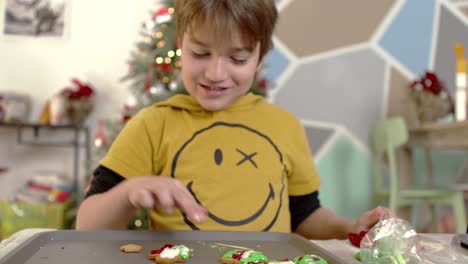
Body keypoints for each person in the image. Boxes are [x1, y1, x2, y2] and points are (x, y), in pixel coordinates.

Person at [76, 0, 387, 239]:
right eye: (200, 53)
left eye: (237, 59)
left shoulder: (285, 126)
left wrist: (349, 228)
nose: (215, 74)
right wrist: (130, 191)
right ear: (180, 47)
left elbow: (304, 214)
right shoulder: (153, 124)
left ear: (260, 58)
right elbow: (87, 227)